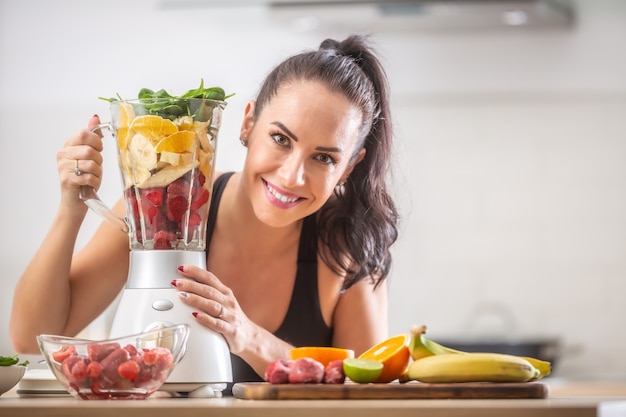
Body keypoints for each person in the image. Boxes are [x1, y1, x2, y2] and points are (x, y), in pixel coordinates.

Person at [10, 34, 399, 385]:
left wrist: (248, 337)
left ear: (349, 166)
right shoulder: (163, 205)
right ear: (248, 123)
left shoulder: (348, 246)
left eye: (324, 158)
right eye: (281, 138)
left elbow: (364, 391)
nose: (292, 175)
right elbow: (31, 337)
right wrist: (71, 208)